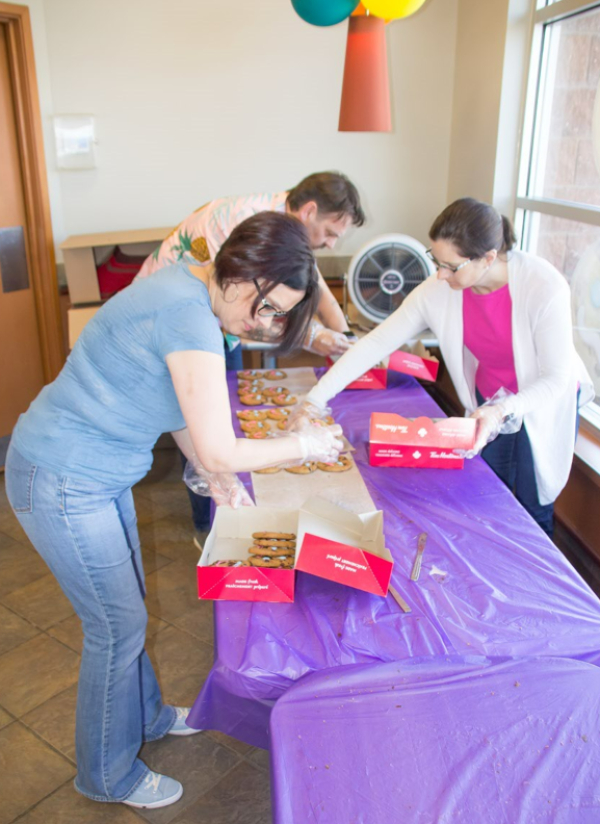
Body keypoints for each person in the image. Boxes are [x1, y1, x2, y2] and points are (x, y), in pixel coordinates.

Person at [5, 212, 343, 810]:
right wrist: (303, 445)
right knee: (115, 629)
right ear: (242, 276)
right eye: (267, 308)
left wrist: (217, 479)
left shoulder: (189, 291)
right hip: (62, 477)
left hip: (91, 473)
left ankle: (149, 717)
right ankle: (106, 776)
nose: (266, 322)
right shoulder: (186, 312)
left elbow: (182, 411)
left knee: (126, 609)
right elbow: (215, 438)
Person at [299, 197, 593, 537]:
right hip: (489, 395)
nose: (440, 274)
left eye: (451, 266)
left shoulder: (543, 285)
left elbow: (557, 377)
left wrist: (502, 411)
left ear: (487, 258)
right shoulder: (440, 287)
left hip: (542, 400)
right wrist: (314, 400)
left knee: (533, 504)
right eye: (435, 260)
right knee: (488, 492)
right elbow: (375, 344)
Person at [137, 171, 365, 545]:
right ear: (309, 211)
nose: (329, 243)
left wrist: (341, 336)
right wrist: (305, 446)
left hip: (209, 317)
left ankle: (219, 508)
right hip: (176, 326)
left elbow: (306, 287)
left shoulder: (285, 232)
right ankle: (208, 524)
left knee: (211, 418)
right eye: (330, 233)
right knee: (207, 424)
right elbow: (254, 314)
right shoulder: (248, 230)